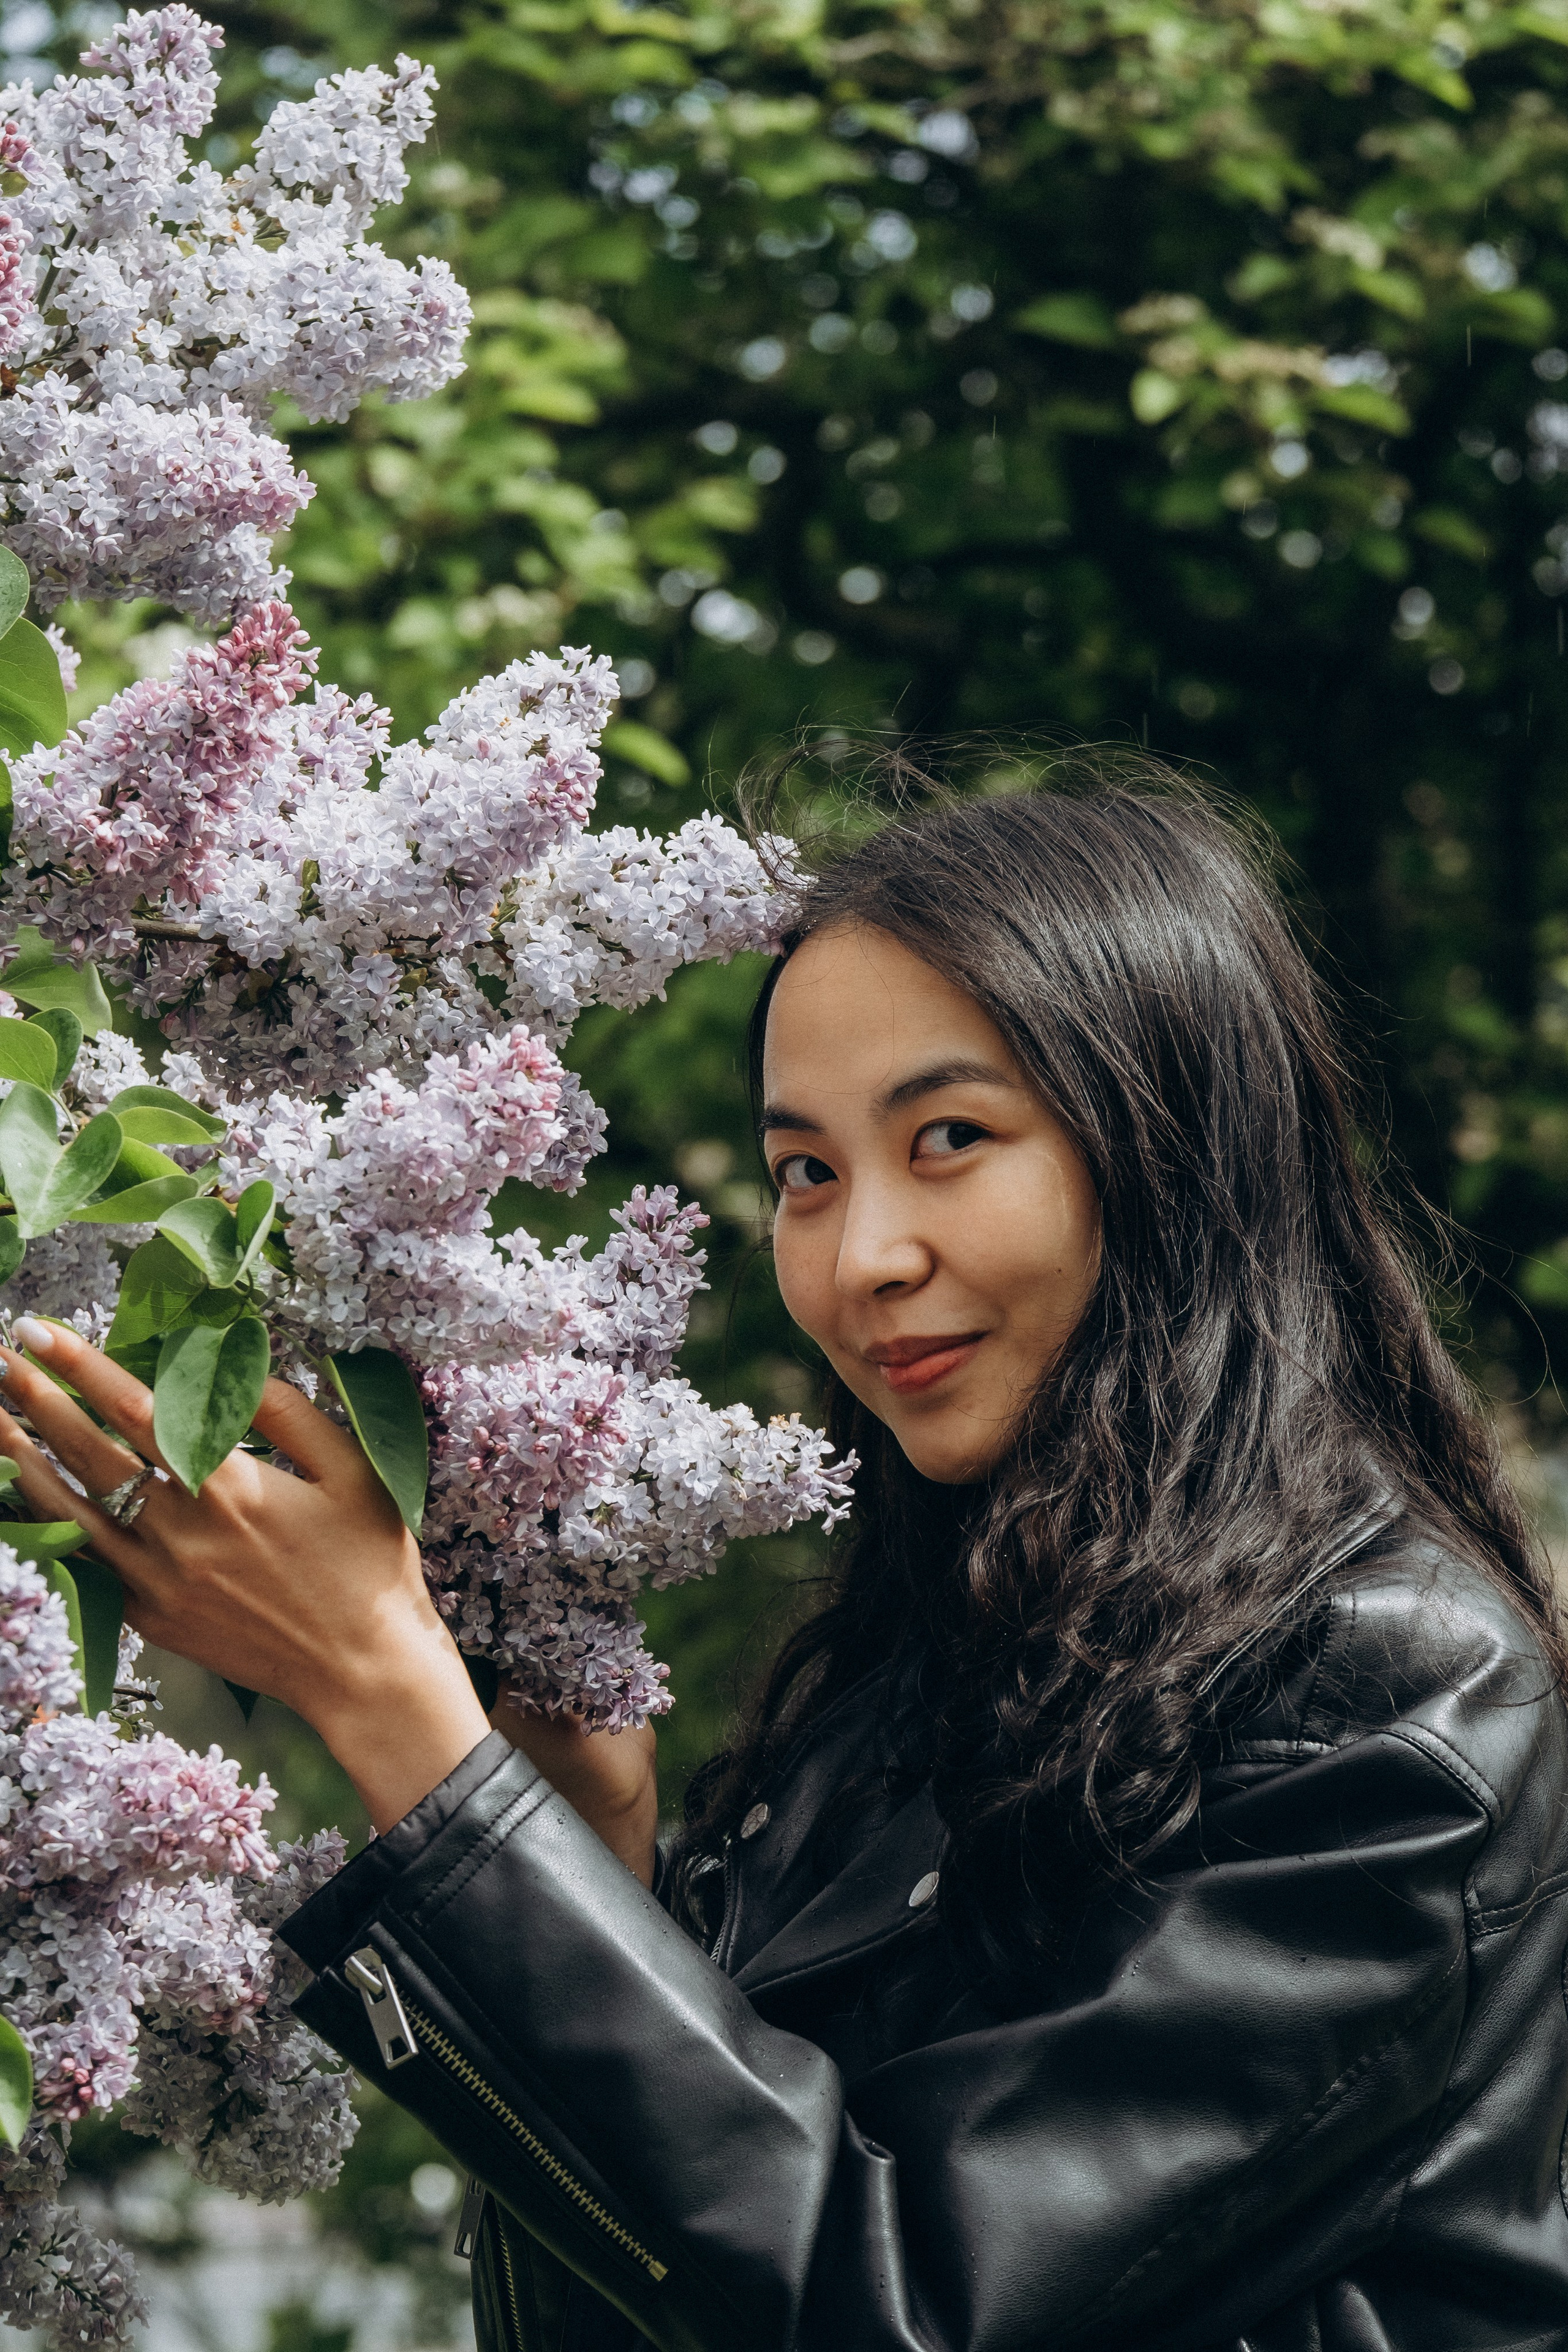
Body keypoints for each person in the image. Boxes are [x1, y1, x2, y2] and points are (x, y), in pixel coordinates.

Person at [2, 771, 1567, 2352]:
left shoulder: (1386, 1696)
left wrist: (389, 1702)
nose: (861, 1256)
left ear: (1172, 1147)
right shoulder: (924, 1668)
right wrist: (596, 1862)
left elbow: (892, 2309)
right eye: (808, 1173)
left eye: (949, 1138)